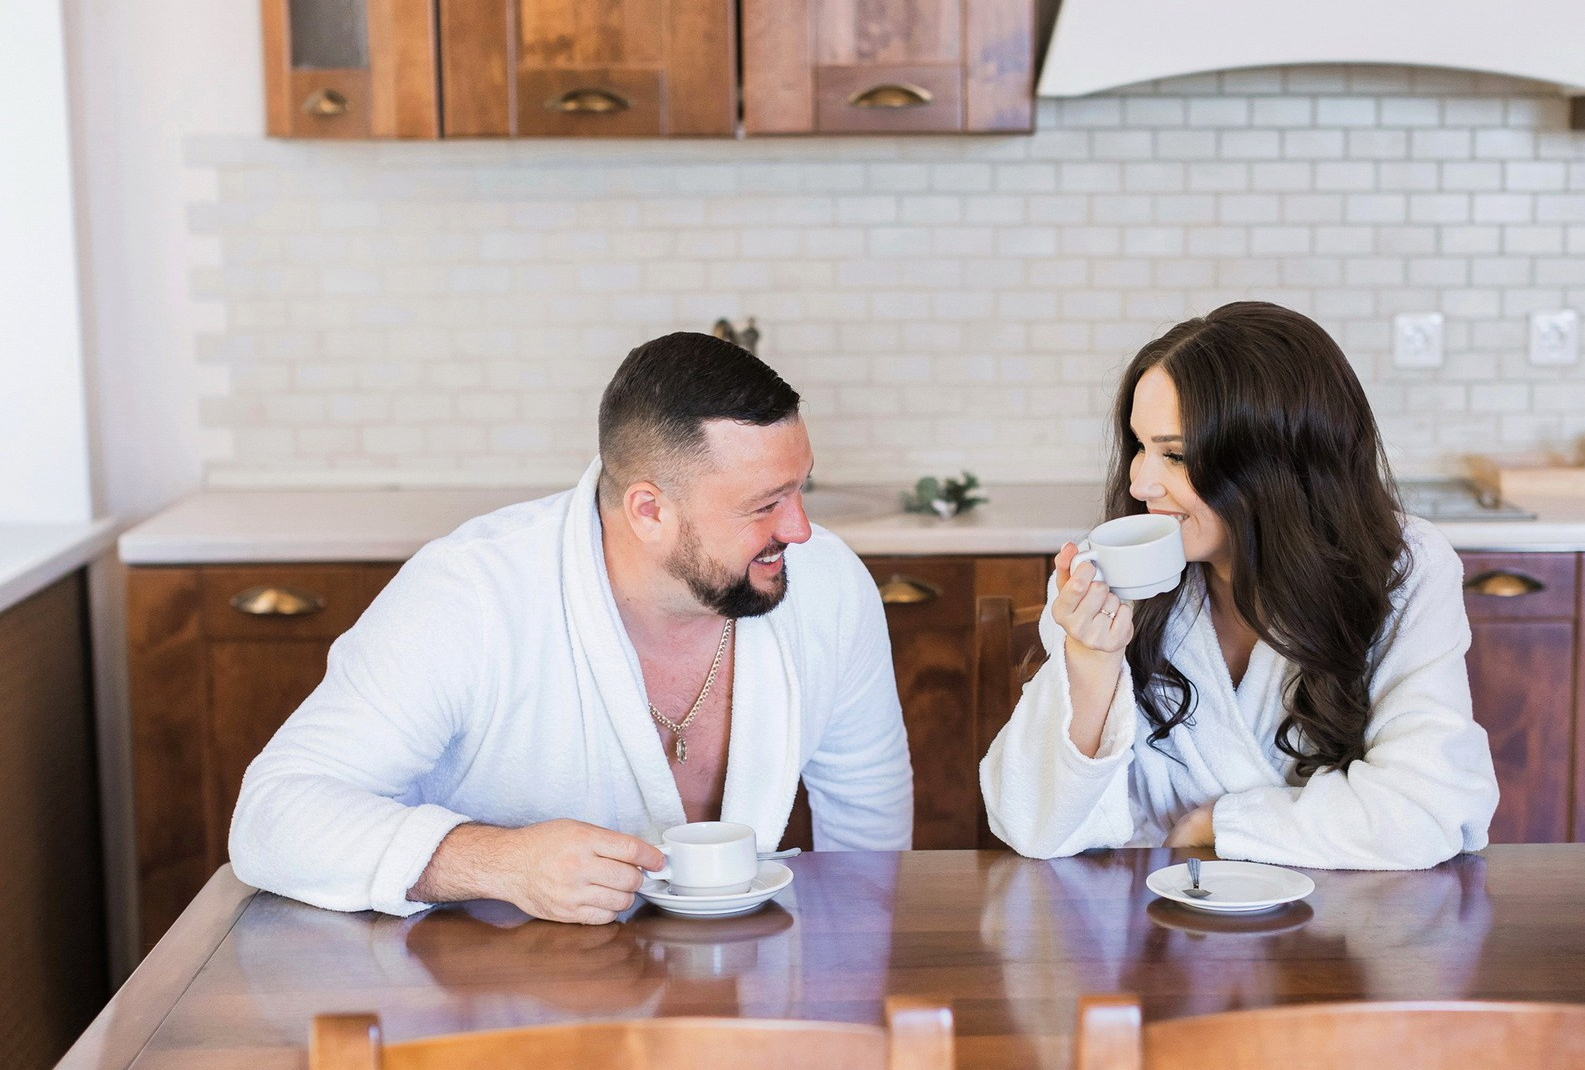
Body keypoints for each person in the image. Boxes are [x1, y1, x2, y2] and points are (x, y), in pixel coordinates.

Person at [230, 332, 912, 924]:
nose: (799, 529)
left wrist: (849, 995)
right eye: (765, 505)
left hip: (736, 995)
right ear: (649, 511)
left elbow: (869, 825)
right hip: (481, 997)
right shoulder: (470, 596)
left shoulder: (827, 584)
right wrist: (497, 861)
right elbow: (271, 817)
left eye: (800, 489)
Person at [981, 301, 1498, 869]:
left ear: (1276, 463)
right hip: (1149, 908)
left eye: (1175, 455)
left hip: (1338, 916)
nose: (1140, 482)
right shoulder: (1106, 581)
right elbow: (1032, 825)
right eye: (1140, 446)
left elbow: (1428, 808)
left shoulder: (1401, 568)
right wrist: (1090, 661)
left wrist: (1219, 826)